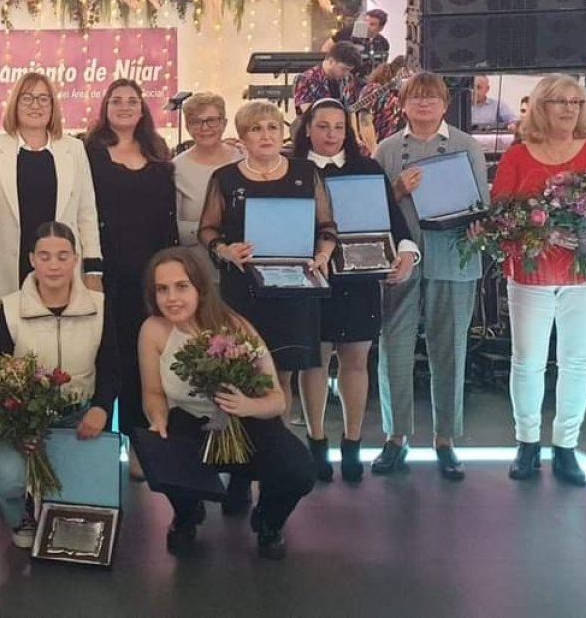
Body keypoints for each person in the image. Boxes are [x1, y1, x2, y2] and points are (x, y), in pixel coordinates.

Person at [197, 101, 336, 502]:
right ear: (242, 138)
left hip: (294, 292)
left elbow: (327, 228)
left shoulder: (305, 173)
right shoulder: (224, 178)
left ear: (284, 133)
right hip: (243, 294)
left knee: (281, 380)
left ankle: (272, 467)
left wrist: (323, 255)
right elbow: (207, 230)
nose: (267, 135)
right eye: (257, 129)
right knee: (241, 376)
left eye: (274, 127)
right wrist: (224, 251)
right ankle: (240, 471)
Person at [138, 247, 314, 559]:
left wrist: (246, 406)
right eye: (162, 289)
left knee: (298, 470)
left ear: (200, 288)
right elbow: (153, 392)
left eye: (181, 287)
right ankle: (187, 516)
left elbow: (276, 399)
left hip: (246, 421)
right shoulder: (153, 330)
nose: (171, 298)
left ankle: (268, 522)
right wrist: (157, 417)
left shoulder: (236, 327)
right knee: (161, 451)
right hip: (191, 424)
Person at [292, 99, 418, 483]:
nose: (331, 135)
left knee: (356, 360)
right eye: (323, 126)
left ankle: (352, 442)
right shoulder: (292, 170)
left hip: (360, 280)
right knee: (314, 360)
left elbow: (394, 223)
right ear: (307, 129)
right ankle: (316, 440)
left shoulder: (368, 168)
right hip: (311, 277)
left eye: (338, 127)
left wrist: (406, 253)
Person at [372, 72, 490, 481]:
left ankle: (446, 439)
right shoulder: (387, 149)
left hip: (453, 258)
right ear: (402, 104)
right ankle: (395, 435)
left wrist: (478, 225)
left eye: (431, 98)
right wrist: (396, 189)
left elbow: (483, 204)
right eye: (415, 98)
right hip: (399, 262)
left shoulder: (465, 145)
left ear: (444, 104)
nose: (423, 105)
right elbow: (371, 211)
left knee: (450, 348)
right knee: (394, 348)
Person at [0, 222, 120, 550]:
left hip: (78, 420)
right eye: (44, 256)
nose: (54, 265)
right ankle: (20, 516)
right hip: (23, 423)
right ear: (32, 260)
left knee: (81, 499)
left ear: (76, 259)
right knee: (4, 478)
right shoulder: (10, 309)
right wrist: (17, 427)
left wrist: (101, 408)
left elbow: (112, 367)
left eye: (62, 256)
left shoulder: (99, 307)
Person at [489, 75, 586, 486]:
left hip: (582, 276)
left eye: (576, 102)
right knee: (527, 361)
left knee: (578, 362)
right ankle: (527, 443)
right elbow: (499, 214)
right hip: (529, 274)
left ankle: (566, 446)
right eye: (559, 101)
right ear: (541, 107)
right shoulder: (517, 156)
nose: (569, 109)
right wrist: (540, 231)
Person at [84, 78, 178, 475]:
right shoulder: (89, 154)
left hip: (149, 278)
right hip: (104, 277)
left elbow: (167, 220)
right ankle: (104, 445)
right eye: (116, 100)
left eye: (132, 101)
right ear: (105, 108)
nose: (124, 106)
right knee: (109, 360)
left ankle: (139, 447)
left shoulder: (158, 155)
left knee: (145, 364)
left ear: (142, 110)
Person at [0, 72, 103, 315]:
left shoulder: (74, 149)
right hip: (7, 268)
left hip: (59, 267)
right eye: (27, 98)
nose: (35, 105)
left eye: (43, 99)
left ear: (53, 106)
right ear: (15, 104)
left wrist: (93, 270)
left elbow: (86, 214)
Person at [171, 92, 244, 276]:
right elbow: (171, 226)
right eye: (196, 121)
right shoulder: (175, 169)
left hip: (243, 269)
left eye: (212, 120)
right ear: (187, 127)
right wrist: (212, 232)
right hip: (199, 273)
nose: (205, 128)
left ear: (224, 123)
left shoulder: (244, 159)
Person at [293, 42, 363, 114]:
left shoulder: (346, 79)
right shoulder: (306, 78)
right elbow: (307, 113)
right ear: (331, 61)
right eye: (343, 69)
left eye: (349, 70)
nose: (346, 74)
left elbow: (351, 110)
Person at [322, 9, 391, 78]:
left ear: (380, 28)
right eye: (366, 22)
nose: (367, 26)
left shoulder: (383, 43)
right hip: (344, 77)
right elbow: (326, 47)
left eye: (372, 24)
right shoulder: (348, 33)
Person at [356, 55, 410, 143]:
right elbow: (365, 122)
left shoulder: (397, 95)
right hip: (376, 146)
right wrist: (374, 151)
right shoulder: (374, 90)